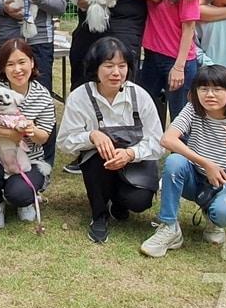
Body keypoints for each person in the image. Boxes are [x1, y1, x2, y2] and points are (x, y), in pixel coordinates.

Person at [64, 0, 165, 173]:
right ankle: (84, 148)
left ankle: (128, 149)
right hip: (89, 21)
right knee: (82, 81)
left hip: (124, 24)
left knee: (120, 84)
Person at [141, 65, 226, 257]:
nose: (209, 94)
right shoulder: (194, 110)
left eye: (217, 89)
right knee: (175, 162)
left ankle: (214, 219)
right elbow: (167, 139)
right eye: (203, 89)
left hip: (224, 183)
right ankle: (169, 227)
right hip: (193, 176)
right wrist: (206, 163)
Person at [58, 37, 165, 244]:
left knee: (140, 201)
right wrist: (92, 135)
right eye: (108, 66)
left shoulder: (140, 96)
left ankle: (119, 201)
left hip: (134, 162)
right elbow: (64, 141)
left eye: (122, 66)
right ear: (95, 68)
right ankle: (99, 215)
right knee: (98, 152)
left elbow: (158, 142)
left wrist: (130, 154)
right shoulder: (80, 97)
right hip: (100, 164)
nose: (116, 73)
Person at [0, 39, 55, 229]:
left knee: (19, 193)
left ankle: (25, 200)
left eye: (22, 62)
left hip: (29, 160)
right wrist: (8, 133)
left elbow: (44, 137)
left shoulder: (42, 95)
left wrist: (32, 131)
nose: (17, 69)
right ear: (3, 68)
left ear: (32, 63)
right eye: (10, 64)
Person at [140, 0, 202, 123]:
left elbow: (189, 27)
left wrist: (179, 67)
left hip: (176, 59)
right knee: (147, 113)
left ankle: (182, 155)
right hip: (151, 56)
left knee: (180, 120)